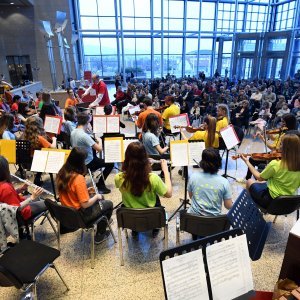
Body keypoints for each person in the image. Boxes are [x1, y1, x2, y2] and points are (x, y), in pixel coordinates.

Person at [56, 147, 113, 244]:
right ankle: (100, 234)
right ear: (80, 162)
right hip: (80, 215)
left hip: (68, 213)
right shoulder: (78, 178)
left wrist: (85, 191)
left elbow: (70, 191)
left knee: (98, 201)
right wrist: (97, 196)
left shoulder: (62, 172)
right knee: (107, 203)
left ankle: (103, 220)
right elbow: (85, 205)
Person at [114, 142, 172, 236]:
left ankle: (135, 228)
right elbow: (169, 194)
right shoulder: (153, 178)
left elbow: (134, 177)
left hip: (130, 218)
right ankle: (155, 226)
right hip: (151, 217)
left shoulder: (118, 178)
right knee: (155, 196)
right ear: (144, 158)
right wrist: (166, 171)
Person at [241, 134, 300, 209]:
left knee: (249, 181)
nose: (279, 146)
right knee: (262, 182)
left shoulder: (276, 164)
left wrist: (247, 162)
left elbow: (259, 177)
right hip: (290, 204)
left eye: (281, 144)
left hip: (272, 202)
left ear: (286, 148)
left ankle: (252, 208)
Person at [71, 113, 114, 194]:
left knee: (95, 155)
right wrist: (100, 140)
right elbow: (100, 149)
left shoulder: (73, 132)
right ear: (87, 123)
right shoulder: (84, 136)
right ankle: (101, 184)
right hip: (88, 162)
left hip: (77, 161)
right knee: (111, 163)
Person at [0, 155, 46, 227]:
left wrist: (22, 189)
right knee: (48, 202)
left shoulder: (3, 184)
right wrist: (32, 197)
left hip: (14, 210)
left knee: (38, 198)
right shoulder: (5, 187)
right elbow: (17, 209)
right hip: (20, 215)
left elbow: (8, 196)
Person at [187, 148, 232, 216]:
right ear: (219, 163)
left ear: (202, 162)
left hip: (194, 221)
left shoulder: (193, 177)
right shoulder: (224, 182)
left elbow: (191, 196)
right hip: (214, 223)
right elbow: (228, 206)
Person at [23, 116, 57, 185]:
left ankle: (37, 178)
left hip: (28, 161)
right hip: (38, 162)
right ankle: (38, 178)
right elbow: (53, 147)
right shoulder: (39, 138)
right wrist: (54, 139)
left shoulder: (25, 135)